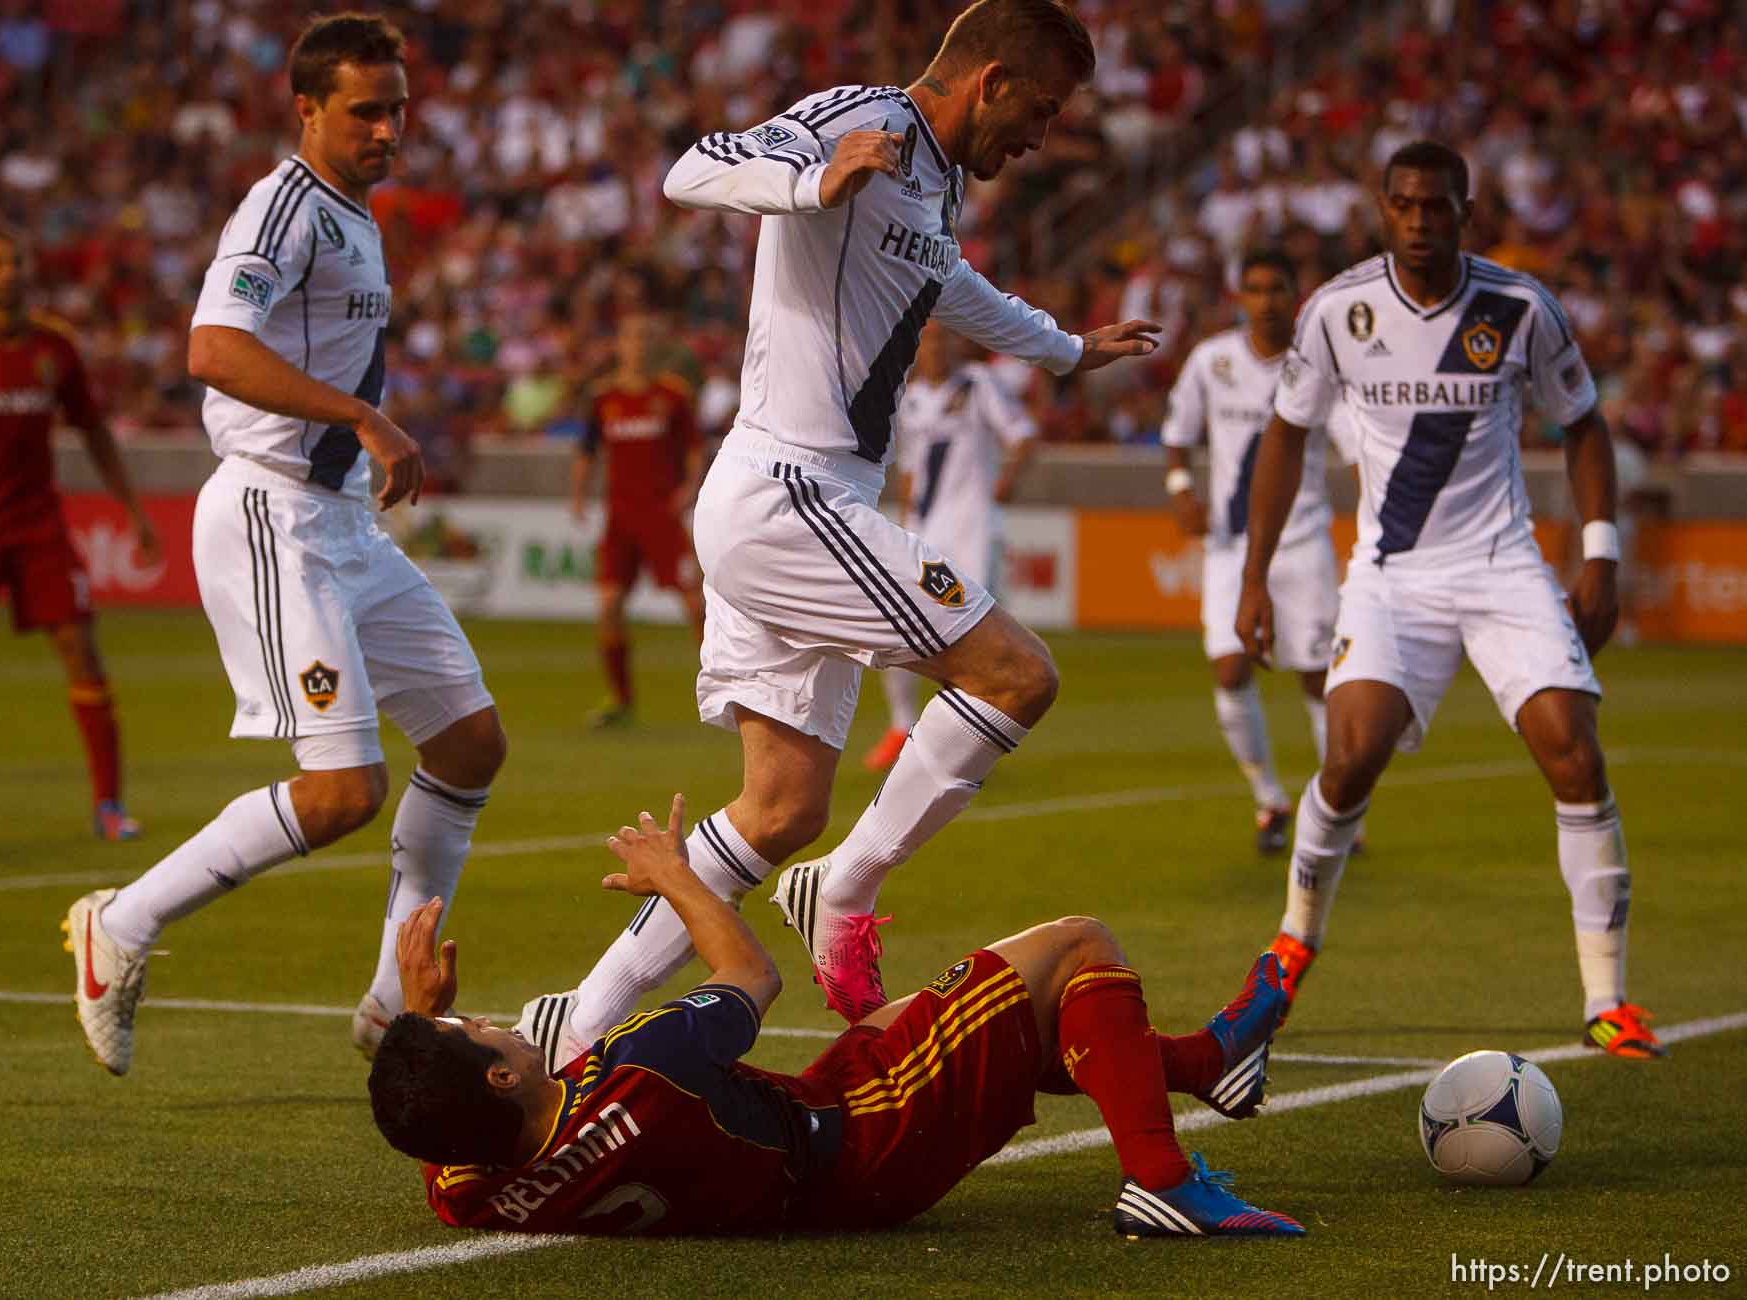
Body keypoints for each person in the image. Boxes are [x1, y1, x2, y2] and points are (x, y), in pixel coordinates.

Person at [539, 0, 1161, 1060]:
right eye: (1042, 110)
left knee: (777, 809)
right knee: (1015, 674)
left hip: (804, 502)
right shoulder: (858, 117)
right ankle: (850, 884)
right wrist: (807, 180)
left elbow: (943, 284)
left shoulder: (938, 177)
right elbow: (694, 167)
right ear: (991, 80)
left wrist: (1062, 349)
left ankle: (569, 1027)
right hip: (791, 493)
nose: (1042, 137)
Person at [63, 13, 508, 1078]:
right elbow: (213, 347)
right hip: (273, 514)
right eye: (367, 110)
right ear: (306, 110)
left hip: (343, 519)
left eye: (399, 108)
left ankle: (392, 1004)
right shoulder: (284, 207)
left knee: (468, 743)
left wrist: (359, 439)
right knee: (342, 790)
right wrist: (362, 416)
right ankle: (119, 922)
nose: (391, 129)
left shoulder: (355, 213)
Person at [367, 794, 1304, 1240]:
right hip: (864, 1140)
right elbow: (749, 972)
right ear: (497, 1076)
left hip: (807, 1133)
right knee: (1073, 945)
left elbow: (435, 1127)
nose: (492, 1019)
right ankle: (1163, 1182)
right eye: (479, 1032)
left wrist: (423, 1025)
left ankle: (1198, 1064)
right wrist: (674, 875)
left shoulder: (471, 1188)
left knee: (989, 1016)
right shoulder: (642, 1068)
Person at [1234, 141, 1663, 1058]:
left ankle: (1608, 1002)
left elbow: (1582, 423)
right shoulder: (1337, 311)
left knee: (1572, 757)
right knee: (1349, 758)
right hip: (1392, 579)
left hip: (1504, 568)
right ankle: (1293, 938)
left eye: (1437, 207)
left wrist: (1599, 553)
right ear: (1381, 210)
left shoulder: (1519, 308)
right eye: (1403, 206)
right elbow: (1284, 435)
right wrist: (1252, 575)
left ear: (1466, 211)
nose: (1420, 222)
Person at [0, 228, 158, 841]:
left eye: (16, 259)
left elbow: (95, 431)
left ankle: (108, 807)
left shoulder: (55, 350)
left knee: (83, 652)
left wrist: (133, 509)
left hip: (38, 529)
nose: (9, 271)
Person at [1162, 249, 1337, 855]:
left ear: (1296, 295)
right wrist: (1181, 489)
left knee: (1318, 678)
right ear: (1240, 297)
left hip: (1303, 537)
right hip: (1229, 545)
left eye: (1277, 289)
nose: (1266, 300)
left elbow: (1353, 443)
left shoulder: (1318, 366)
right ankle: (1269, 797)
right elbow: (1178, 436)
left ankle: (1338, 809)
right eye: (1255, 289)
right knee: (1229, 667)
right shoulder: (1213, 362)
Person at [862, 320, 1036, 772]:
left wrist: (1006, 481)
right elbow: (910, 470)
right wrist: (906, 518)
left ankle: (962, 745)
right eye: (929, 340)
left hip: (974, 533)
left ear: (958, 343)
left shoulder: (978, 385)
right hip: (927, 534)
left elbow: (1022, 434)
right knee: (900, 629)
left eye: (944, 338)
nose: (937, 348)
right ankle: (902, 728)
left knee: (972, 639)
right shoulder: (911, 399)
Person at [569, 311, 707, 728]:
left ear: (656, 346)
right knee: (609, 606)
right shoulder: (603, 398)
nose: (639, 345)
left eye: (647, 337)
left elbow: (694, 447)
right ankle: (620, 699)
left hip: (662, 515)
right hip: (621, 518)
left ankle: (727, 688)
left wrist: (690, 487)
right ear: (621, 345)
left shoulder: (673, 395)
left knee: (695, 601)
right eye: (632, 337)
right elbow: (587, 450)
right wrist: (578, 496)